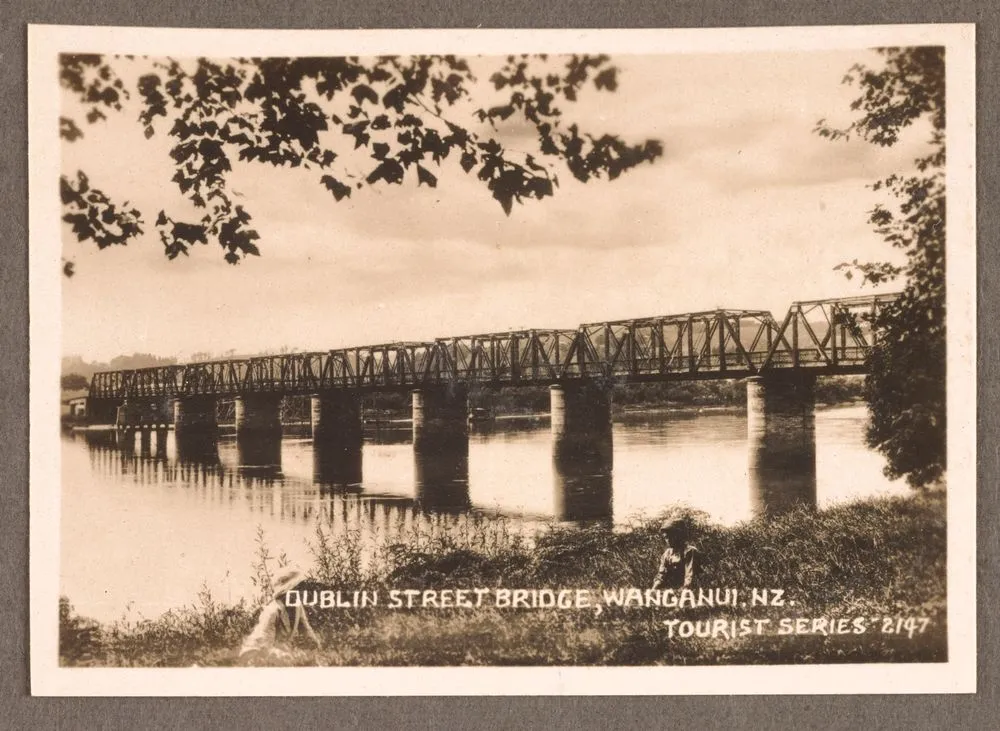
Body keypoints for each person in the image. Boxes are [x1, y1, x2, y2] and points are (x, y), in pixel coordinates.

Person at [238, 567, 323, 665]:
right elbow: (264, 644)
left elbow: (306, 629)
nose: (301, 592)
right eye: (297, 589)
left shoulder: (297, 607)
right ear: (287, 591)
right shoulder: (272, 611)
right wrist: (285, 655)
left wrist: (316, 645)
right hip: (254, 653)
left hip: (278, 652)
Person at [651, 518, 698, 591]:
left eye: (671, 536)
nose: (668, 540)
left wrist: (682, 592)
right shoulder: (667, 554)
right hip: (672, 590)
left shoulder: (689, 551)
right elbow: (661, 575)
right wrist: (653, 590)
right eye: (666, 537)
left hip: (689, 591)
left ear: (679, 536)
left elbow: (690, 577)